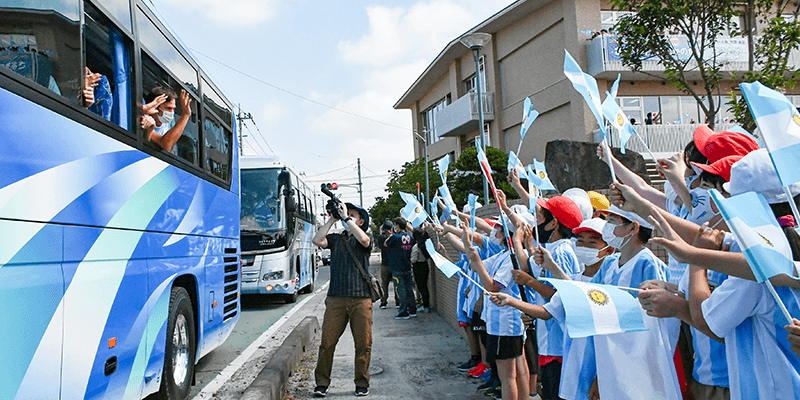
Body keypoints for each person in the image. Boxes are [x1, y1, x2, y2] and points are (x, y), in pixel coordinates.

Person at [311, 201, 373, 397]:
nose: (347, 216)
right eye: (346, 213)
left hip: (361, 299)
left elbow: (364, 241)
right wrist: (332, 218)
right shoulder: (337, 239)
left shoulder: (364, 237)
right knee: (327, 343)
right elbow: (317, 240)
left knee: (363, 344)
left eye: (353, 214)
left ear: (361, 220)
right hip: (336, 298)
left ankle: (361, 383)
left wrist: (346, 218)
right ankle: (321, 383)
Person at [143, 86, 192, 152]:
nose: (172, 112)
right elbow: (166, 144)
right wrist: (186, 115)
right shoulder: (146, 120)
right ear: (155, 106)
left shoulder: (167, 124)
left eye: (173, 109)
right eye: (168, 108)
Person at [384, 217, 416, 319]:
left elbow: (385, 244)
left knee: (400, 290)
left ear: (397, 226)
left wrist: (392, 234)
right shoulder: (410, 237)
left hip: (398, 267)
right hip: (407, 266)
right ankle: (412, 310)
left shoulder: (395, 238)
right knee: (409, 290)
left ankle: (403, 312)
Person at [376, 220, 397, 309]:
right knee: (396, 284)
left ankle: (383, 301)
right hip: (394, 264)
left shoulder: (381, 237)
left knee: (384, 284)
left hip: (384, 263)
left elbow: (380, 245)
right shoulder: (394, 237)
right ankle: (398, 301)